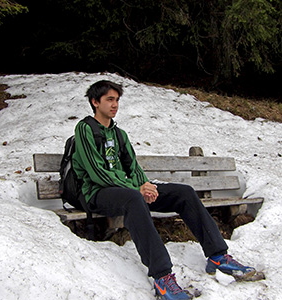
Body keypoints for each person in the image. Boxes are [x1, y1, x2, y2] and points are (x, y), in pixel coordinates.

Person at [72, 80, 257, 300]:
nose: (115, 105)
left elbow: (133, 166)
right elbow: (96, 172)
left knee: (184, 193)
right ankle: (162, 277)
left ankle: (218, 255)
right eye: (109, 99)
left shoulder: (119, 134)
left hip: (126, 190)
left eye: (117, 100)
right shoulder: (84, 129)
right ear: (95, 102)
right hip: (96, 193)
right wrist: (136, 188)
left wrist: (146, 185)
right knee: (133, 198)